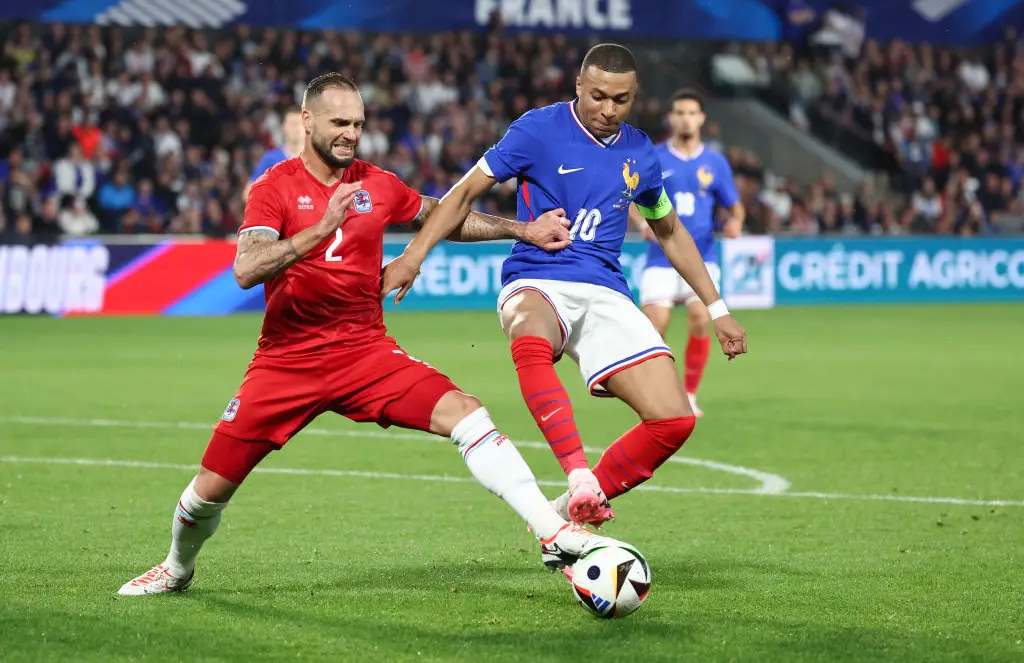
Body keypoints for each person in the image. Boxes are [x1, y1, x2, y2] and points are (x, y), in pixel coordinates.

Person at [118, 72, 610, 596]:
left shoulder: (377, 183)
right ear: (307, 121)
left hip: (365, 352)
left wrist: (521, 228)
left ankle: (553, 531)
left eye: (358, 124)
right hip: (287, 360)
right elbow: (246, 269)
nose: (350, 134)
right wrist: (320, 230)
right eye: (339, 123)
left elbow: (443, 215)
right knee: (208, 491)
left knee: (466, 412)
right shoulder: (273, 188)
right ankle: (176, 567)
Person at [382, 45, 748, 536]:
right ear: (578, 86)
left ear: (634, 98)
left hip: (605, 290)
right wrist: (413, 255)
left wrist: (717, 307)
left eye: (620, 100)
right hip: (537, 276)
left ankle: (570, 508)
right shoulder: (538, 129)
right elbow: (464, 193)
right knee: (530, 332)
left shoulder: (641, 151)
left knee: (675, 420)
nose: (607, 109)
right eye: (597, 96)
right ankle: (578, 473)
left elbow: (669, 230)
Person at [632, 89, 745, 417]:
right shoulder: (653, 157)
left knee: (699, 318)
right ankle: (656, 392)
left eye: (691, 112)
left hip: (702, 257)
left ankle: (689, 395)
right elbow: (630, 200)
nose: (685, 118)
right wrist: (641, 223)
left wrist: (735, 223)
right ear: (670, 117)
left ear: (701, 119)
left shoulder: (715, 163)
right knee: (655, 325)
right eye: (679, 112)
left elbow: (734, 208)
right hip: (661, 259)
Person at [242, 106, 304, 201]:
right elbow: (248, 193)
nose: (295, 128)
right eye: (292, 124)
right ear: (283, 127)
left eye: (299, 124)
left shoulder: (318, 160)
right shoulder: (270, 159)